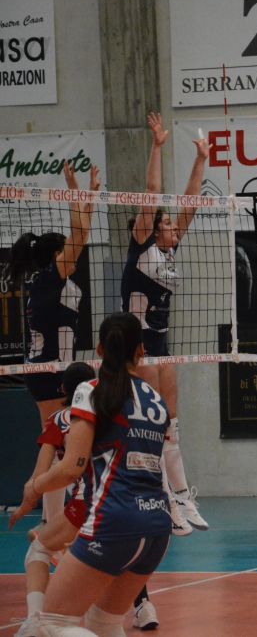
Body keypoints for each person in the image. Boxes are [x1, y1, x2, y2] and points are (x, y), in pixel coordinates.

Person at [11, 312, 173, 636]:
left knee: (50, 623)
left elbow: (73, 466)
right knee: (104, 622)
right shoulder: (156, 400)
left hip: (114, 519)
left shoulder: (91, 390)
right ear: (141, 351)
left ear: (99, 350)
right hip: (157, 525)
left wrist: (34, 488)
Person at [120, 111, 208, 535]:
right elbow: (152, 192)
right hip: (135, 347)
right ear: (153, 229)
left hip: (160, 342)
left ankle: (183, 497)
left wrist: (201, 160)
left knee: (171, 421)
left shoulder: (170, 251)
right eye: (168, 224)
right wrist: (157, 147)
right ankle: (165, 502)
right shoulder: (142, 247)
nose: (175, 227)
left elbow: (190, 202)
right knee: (152, 423)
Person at [11, 163, 98, 525]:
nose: (73, 257)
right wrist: (74, 190)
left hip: (51, 368)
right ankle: (50, 521)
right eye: (67, 253)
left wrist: (88, 195)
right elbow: (79, 234)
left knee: (59, 444)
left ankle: (53, 519)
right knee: (56, 444)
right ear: (56, 256)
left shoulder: (52, 280)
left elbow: (81, 233)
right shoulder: (50, 277)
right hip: (48, 370)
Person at [10, 362, 97, 636]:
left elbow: (39, 476)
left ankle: (35, 622)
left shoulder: (58, 420)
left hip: (86, 501)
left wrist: (24, 506)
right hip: (122, 499)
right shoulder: (109, 414)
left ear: (62, 388)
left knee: (38, 549)